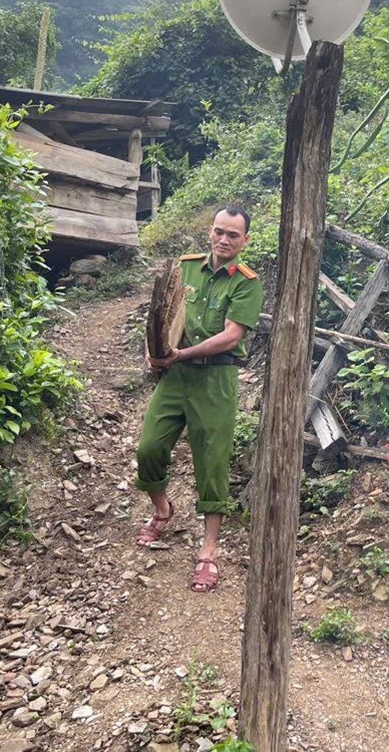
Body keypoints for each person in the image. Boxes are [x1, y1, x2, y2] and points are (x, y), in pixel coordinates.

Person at [134, 206, 263, 593]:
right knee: (148, 448)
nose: (224, 240)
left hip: (216, 379)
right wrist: (152, 349)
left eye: (233, 235)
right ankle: (162, 509)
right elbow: (159, 313)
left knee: (212, 464)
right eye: (219, 232)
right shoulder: (185, 268)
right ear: (210, 231)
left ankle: (208, 553)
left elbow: (231, 336)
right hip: (175, 378)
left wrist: (181, 354)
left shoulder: (246, 282)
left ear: (245, 241)